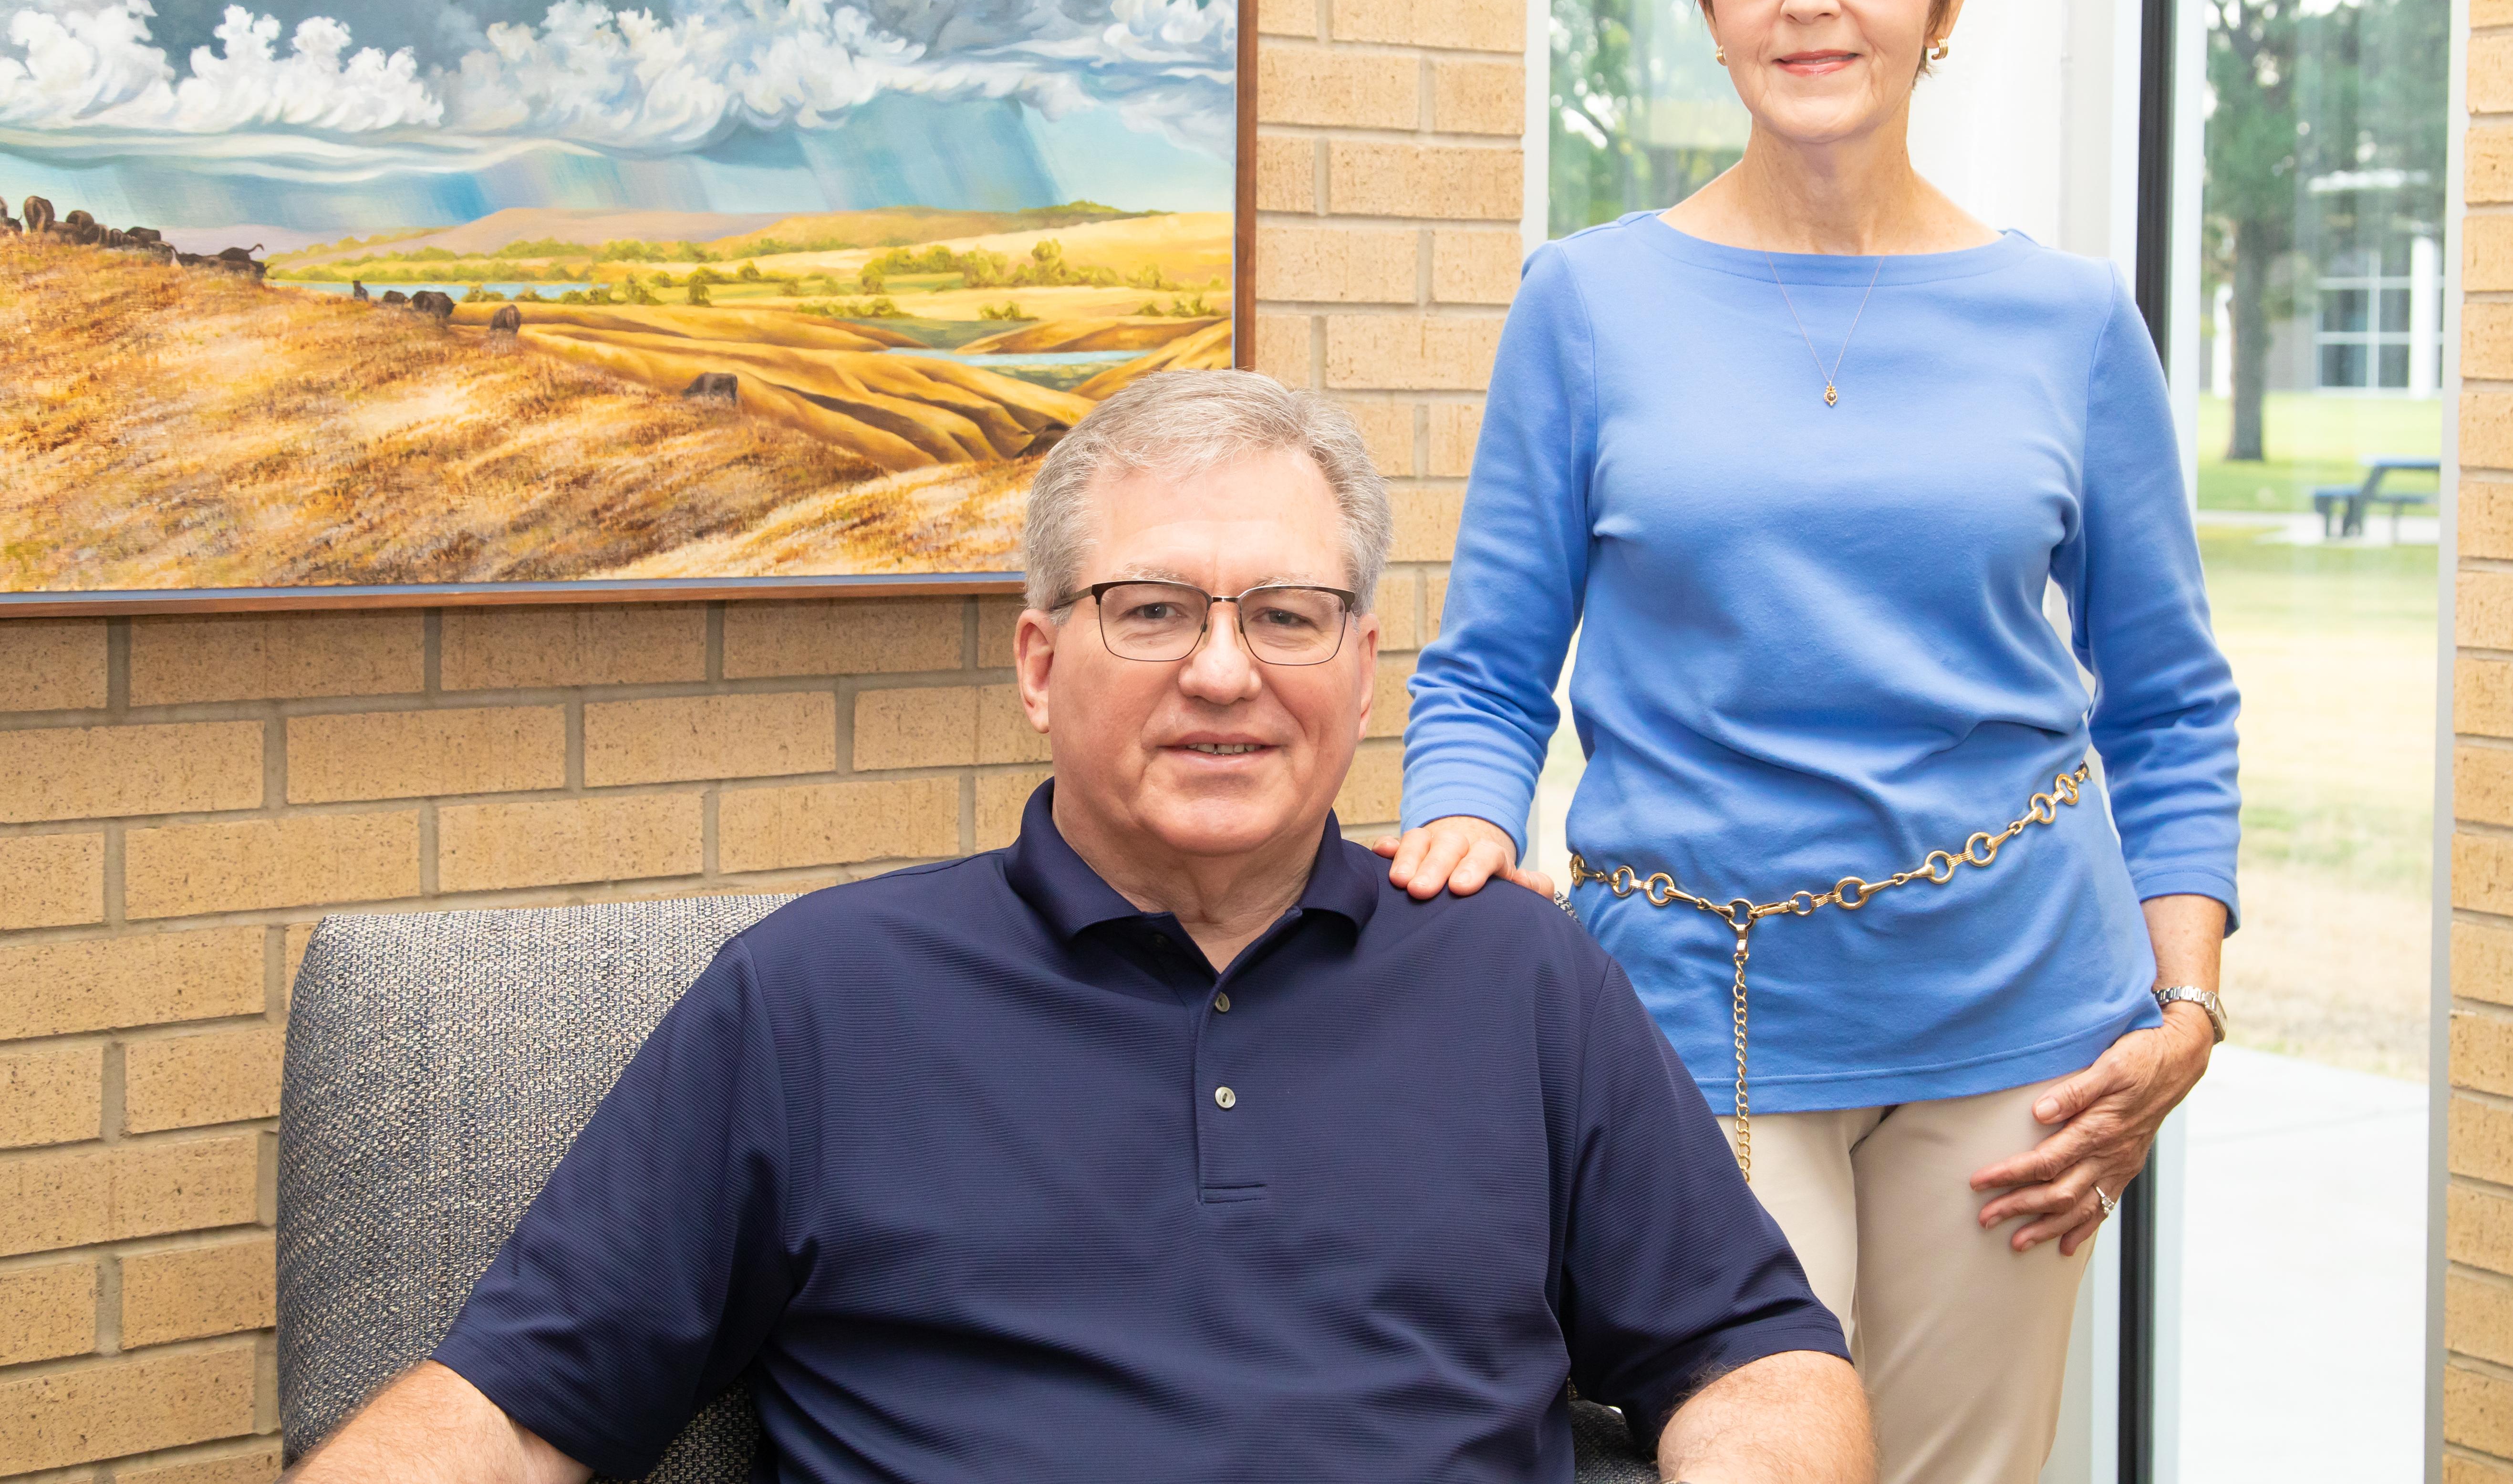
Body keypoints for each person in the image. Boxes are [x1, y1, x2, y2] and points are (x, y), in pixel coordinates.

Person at [292, 371, 1869, 1484]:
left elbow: (1755, 1356)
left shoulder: (1516, 974)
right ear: (1041, 663)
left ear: (1362, 666)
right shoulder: (819, 998)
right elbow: (510, 1411)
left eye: (1283, 614)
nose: (1224, 672)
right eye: (1154, 609)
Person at [1387, 0, 2242, 1484]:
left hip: (2024, 1034)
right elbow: (1480, 675)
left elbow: (2166, 704)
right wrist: (1463, 824)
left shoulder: (2071, 318)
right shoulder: (1589, 302)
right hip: (1696, 1022)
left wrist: (2183, 1013)